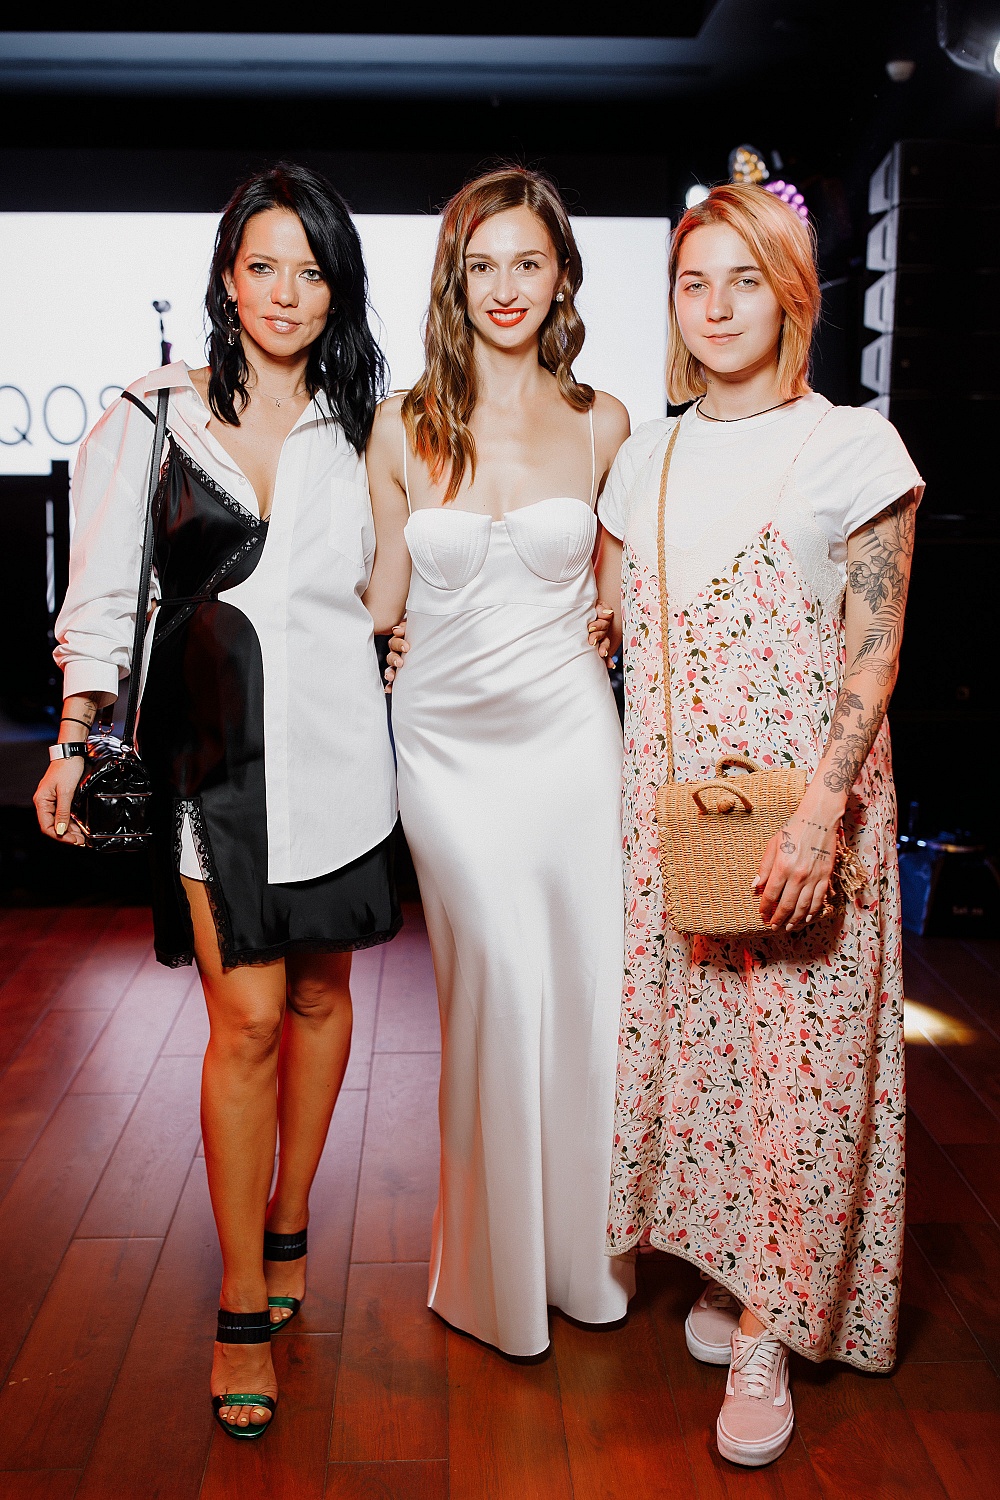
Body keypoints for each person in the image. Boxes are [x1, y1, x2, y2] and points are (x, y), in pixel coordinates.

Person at [33, 163, 399, 1438]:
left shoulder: (369, 428)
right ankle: (243, 1295)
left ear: (338, 288)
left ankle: (291, 1216)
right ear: (226, 280)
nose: (286, 293)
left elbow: (393, 589)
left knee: (319, 999)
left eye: (312, 270)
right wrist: (74, 735)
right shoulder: (150, 415)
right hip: (209, 757)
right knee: (244, 1018)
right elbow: (100, 593)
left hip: (343, 754)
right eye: (263, 266)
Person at [598, 184, 922, 1467]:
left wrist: (821, 816)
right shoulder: (645, 457)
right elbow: (603, 622)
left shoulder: (854, 446)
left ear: (792, 293)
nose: (717, 307)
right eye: (695, 282)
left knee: (803, 1068)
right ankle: (733, 1266)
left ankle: (766, 1331)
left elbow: (875, 649)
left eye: (745, 280)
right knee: (709, 1061)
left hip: (803, 816)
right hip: (676, 822)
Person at [365, 166, 635, 1356]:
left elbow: (620, 601)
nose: (506, 287)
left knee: (582, 992)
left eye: (528, 261)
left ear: (562, 274)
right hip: (444, 747)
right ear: (454, 281)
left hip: (571, 738)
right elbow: (379, 596)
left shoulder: (606, 421)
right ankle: (492, 1278)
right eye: (482, 266)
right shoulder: (398, 425)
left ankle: (583, 1266)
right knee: (497, 983)